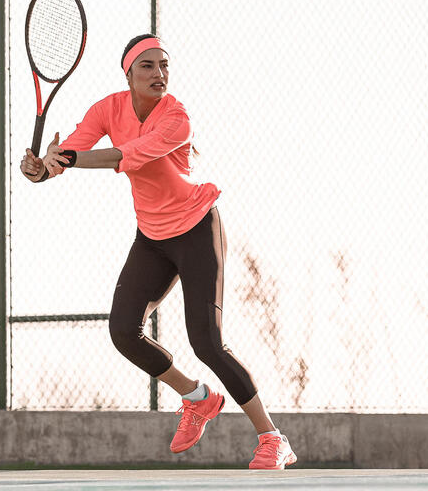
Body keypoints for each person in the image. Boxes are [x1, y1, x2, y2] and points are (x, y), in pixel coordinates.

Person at [19, 34, 296, 470]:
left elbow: (127, 155)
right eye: (147, 66)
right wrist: (42, 169)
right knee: (123, 331)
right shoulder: (108, 108)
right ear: (128, 73)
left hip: (196, 228)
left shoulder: (176, 118)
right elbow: (74, 148)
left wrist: (67, 159)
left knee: (207, 341)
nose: (158, 74)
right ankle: (197, 398)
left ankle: (272, 437)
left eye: (164, 65)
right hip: (152, 236)